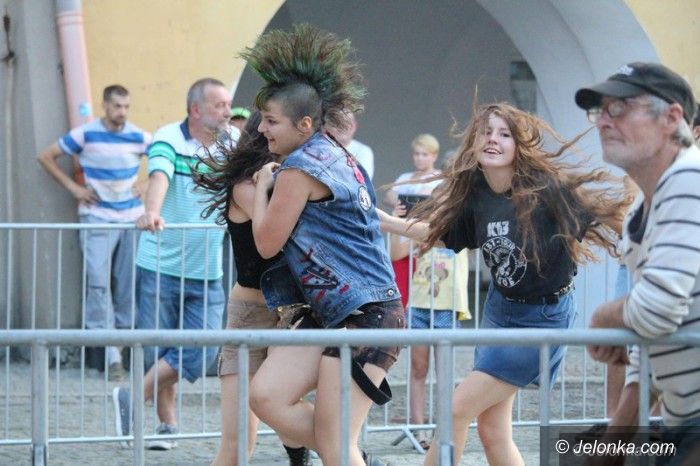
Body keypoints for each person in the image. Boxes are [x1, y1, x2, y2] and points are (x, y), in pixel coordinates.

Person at [378, 102, 630, 465]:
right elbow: (440, 233)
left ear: (518, 145)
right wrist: (386, 221)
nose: (493, 139)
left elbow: (611, 218)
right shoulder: (477, 193)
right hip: (499, 310)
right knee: (492, 429)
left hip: (542, 317)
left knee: (455, 410)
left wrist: (657, 247)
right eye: (486, 132)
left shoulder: (547, 188)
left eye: (504, 134)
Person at [240, 24, 402, 466]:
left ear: (305, 124)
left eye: (271, 121)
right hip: (336, 311)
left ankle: (343, 451)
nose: (262, 130)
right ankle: (345, 452)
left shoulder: (298, 169)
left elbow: (267, 244)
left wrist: (263, 187)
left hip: (365, 315)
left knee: (335, 445)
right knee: (267, 396)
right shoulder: (336, 152)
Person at [577, 62, 700, 465]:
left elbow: (656, 310)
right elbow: (650, 344)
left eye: (620, 108)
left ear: (672, 118)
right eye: (601, 111)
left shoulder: (690, 179)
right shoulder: (640, 212)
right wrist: (612, 447)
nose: (604, 122)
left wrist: (604, 316)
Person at [112, 77, 238, 450]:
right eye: (219, 105)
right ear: (196, 109)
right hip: (160, 266)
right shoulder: (169, 136)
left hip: (207, 269)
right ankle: (167, 425)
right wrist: (151, 211)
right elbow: (160, 175)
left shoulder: (231, 141)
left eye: (227, 104)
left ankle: (132, 395)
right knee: (159, 350)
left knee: (204, 347)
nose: (227, 112)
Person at [192, 111, 310, 466]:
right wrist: (264, 185)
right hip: (250, 313)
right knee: (238, 441)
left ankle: (318, 453)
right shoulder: (246, 186)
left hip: (292, 313)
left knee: (282, 405)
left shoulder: (294, 180)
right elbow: (268, 237)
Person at [38, 84, 151, 380]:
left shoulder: (139, 136)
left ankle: (122, 348)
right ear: (105, 106)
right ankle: (111, 354)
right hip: (96, 218)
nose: (122, 112)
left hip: (131, 219)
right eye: (117, 106)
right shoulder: (85, 134)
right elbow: (46, 156)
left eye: (126, 106)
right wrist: (74, 188)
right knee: (98, 284)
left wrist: (147, 184)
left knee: (127, 285)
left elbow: (166, 161)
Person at [387, 136, 471, 451]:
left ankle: (444, 430)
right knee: (419, 368)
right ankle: (419, 428)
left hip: (448, 302)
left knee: (445, 371)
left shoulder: (463, 219)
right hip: (421, 301)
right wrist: (402, 220)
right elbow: (397, 252)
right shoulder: (423, 218)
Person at [383, 134, 442, 207]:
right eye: (416, 154)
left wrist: (399, 200)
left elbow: (422, 200)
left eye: (424, 154)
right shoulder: (404, 176)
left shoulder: (438, 177)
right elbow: (388, 198)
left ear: (434, 156)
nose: (420, 158)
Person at [325, 109, 376, 179]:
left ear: (354, 126)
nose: (343, 126)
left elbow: (361, 181)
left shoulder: (363, 151)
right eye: (337, 122)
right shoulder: (315, 148)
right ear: (326, 126)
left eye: (347, 122)